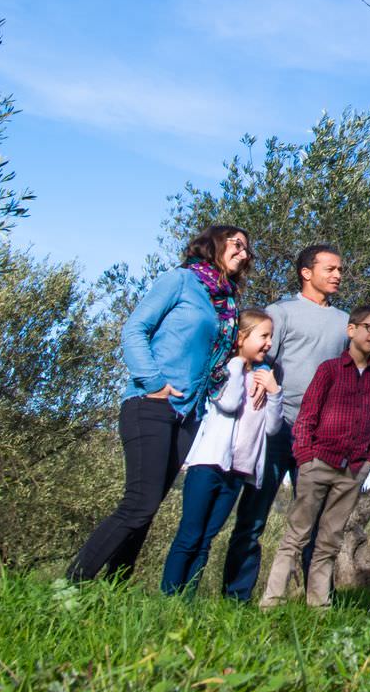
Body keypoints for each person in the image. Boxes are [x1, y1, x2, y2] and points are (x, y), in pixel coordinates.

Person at [69, 224, 255, 582]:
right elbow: (134, 329)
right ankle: (72, 583)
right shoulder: (180, 281)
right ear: (213, 244)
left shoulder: (225, 302)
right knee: (138, 503)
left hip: (188, 414)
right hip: (150, 403)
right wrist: (154, 382)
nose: (244, 254)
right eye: (237, 245)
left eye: (248, 250)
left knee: (148, 509)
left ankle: (114, 588)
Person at [219, 244, 350, 601]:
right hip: (278, 431)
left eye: (340, 269)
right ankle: (236, 597)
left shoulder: (344, 323)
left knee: (317, 524)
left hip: (319, 437)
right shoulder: (280, 314)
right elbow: (258, 359)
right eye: (331, 269)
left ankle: (319, 602)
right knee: (253, 518)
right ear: (306, 272)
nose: (338, 275)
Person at [260, 304, 370, 609]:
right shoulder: (329, 370)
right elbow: (307, 416)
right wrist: (306, 457)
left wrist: (368, 462)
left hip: (352, 472)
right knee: (296, 536)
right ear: (352, 330)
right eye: (369, 327)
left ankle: (318, 606)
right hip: (318, 464)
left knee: (330, 541)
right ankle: (271, 602)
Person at [161, 309, 284, 595]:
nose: (268, 343)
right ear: (241, 338)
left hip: (238, 472)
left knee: (206, 539)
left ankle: (186, 598)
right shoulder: (225, 370)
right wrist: (239, 364)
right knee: (189, 535)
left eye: (270, 337)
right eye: (263, 336)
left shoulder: (265, 379)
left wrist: (274, 392)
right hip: (209, 465)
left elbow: (272, 428)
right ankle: (168, 596)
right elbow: (228, 404)